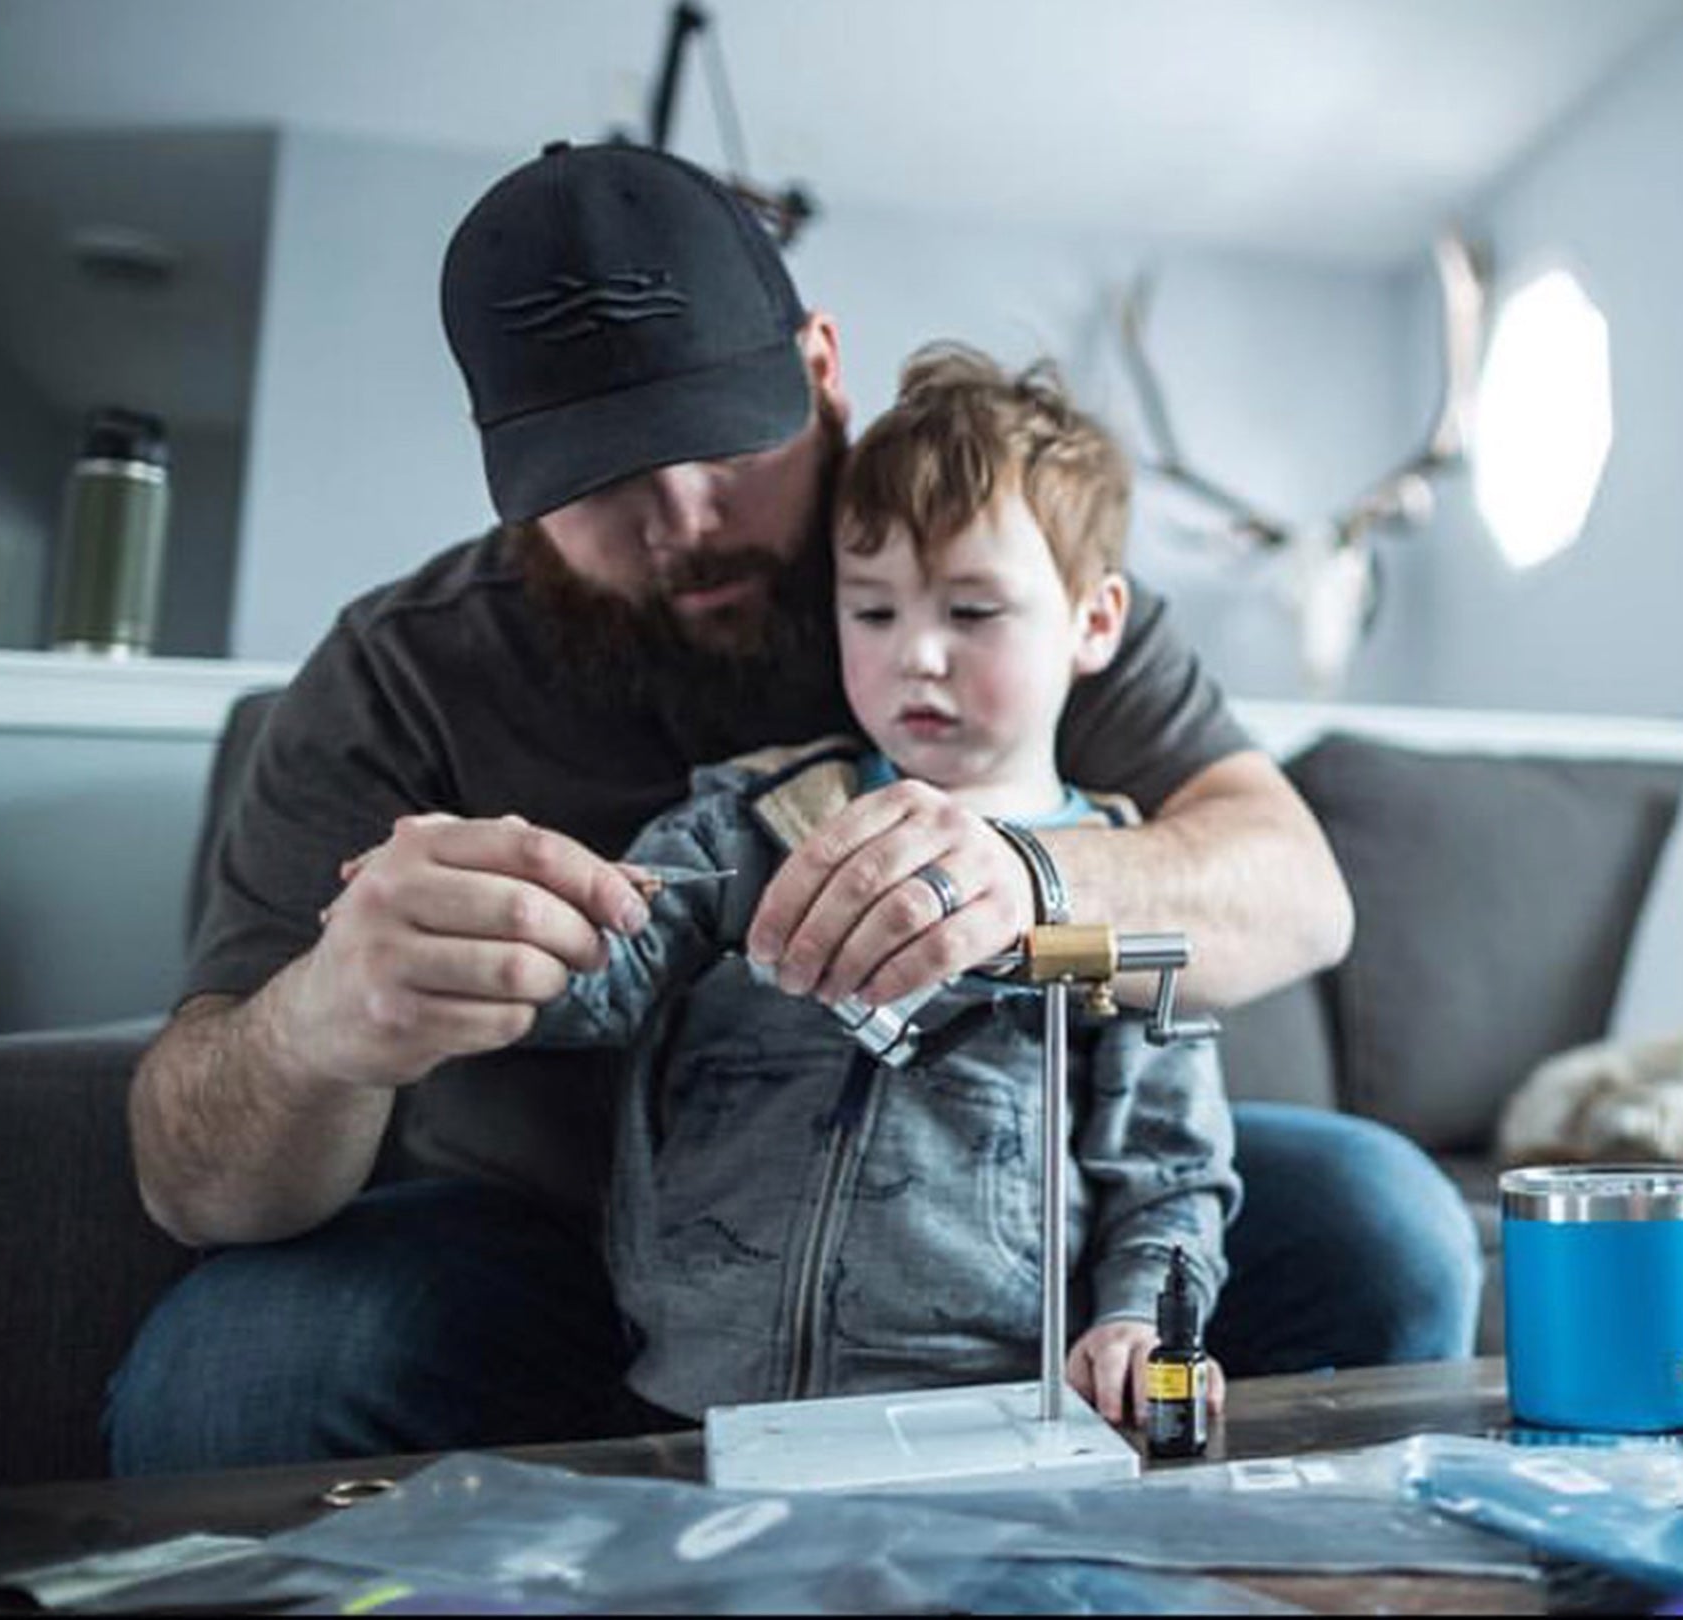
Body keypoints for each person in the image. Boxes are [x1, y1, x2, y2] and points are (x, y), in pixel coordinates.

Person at [107, 141, 1477, 1473]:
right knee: (237, 1372)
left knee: (1387, 1223)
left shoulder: (985, 568)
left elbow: (1297, 892)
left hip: (1015, 1254)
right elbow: (196, 1182)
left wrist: (1030, 877)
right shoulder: (399, 672)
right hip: (547, 1262)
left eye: (719, 446)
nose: (683, 517)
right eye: (602, 483)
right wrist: (327, 1025)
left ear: (821, 371)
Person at [526, 342, 1239, 1422]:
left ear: (1094, 622)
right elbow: (597, 973)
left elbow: (1170, 1170)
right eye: (875, 612)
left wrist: (1140, 1317)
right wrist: (503, 928)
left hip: (990, 1411)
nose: (918, 656)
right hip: (692, 1403)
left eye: (971, 612)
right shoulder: (754, 825)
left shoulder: (1126, 911)